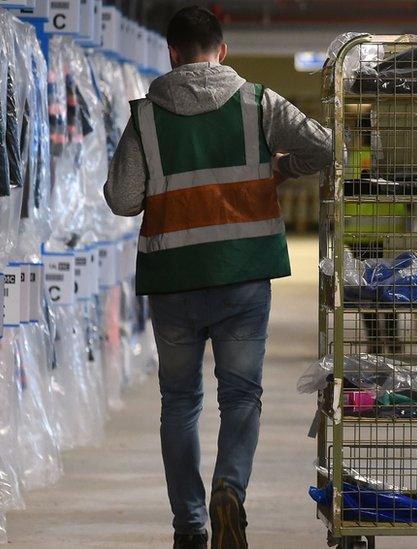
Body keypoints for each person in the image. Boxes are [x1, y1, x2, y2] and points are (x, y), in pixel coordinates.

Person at [103, 6, 331, 548]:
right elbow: (324, 145)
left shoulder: (146, 116)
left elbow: (122, 199)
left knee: (180, 402)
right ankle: (229, 490)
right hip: (243, 277)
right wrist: (279, 169)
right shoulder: (257, 103)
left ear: (173, 54)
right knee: (242, 396)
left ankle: (190, 525)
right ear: (222, 51)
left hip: (174, 281)